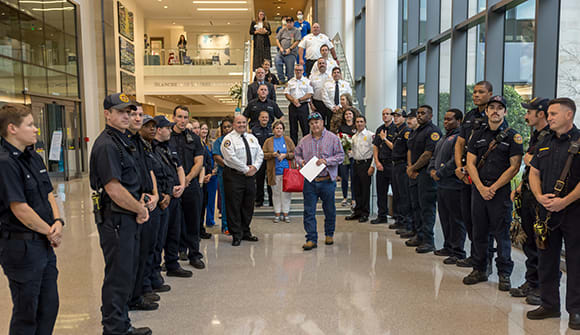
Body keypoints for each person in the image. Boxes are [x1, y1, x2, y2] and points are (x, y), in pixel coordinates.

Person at [89, 93, 152, 335]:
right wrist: (139, 209)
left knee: (126, 273)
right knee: (117, 275)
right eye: (121, 112)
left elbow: (133, 180)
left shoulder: (122, 141)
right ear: (107, 114)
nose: (126, 116)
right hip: (116, 218)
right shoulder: (107, 145)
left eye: (129, 111)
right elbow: (114, 189)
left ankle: (121, 322)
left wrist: (140, 203)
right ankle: (114, 328)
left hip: (128, 216)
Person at [0, 104, 63, 335]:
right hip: (21, 248)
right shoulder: (5, 162)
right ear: (12, 129)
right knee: (27, 313)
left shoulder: (33, 157)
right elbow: (20, 209)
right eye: (30, 124)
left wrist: (58, 221)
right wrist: (49, 230)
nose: (36, 129)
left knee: (49, 306)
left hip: (43, 243)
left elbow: (48, 193)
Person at [527, 98, 580, 330]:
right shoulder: (545, 141)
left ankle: (576, 310)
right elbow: (534, 172)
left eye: (554, 113)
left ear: (569, 115)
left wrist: (564, 201)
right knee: (546, 259)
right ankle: (549, 304)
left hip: (574, 211)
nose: (549, 117)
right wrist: (539, 197)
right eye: (548, 113)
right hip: (546, 211)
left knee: (576, 263)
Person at [462, 95, 523, 291]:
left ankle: (504, 274)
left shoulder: (513, 136)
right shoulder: (477, 134)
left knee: (502, 235)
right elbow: (470, 162)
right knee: (478, 232)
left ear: (505, 112)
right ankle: (479, 269)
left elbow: (514, 167)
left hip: (500, 192)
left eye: (499, 108)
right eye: (492, 108)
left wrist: (493, 188)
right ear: (486, 111)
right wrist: (480, 187)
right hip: (479, 190)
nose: (495, 111)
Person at [509, 97, 550, 305]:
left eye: (529, 112)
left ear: (540, 113)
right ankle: (532, 281)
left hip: (542, 199)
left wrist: (531, 161)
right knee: (530, 245)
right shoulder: (537, 135)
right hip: (527, 194)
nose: (525, 116)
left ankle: (543, 287)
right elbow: (531, 171)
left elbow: (547, 169)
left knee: (541, 244)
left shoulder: (551, 137)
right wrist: (519, 187)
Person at [454, 80, 493, 268]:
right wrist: (458, 166)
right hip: (465, 174)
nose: (476, 95)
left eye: (481, 92)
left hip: (482, 176)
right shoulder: (470, 115)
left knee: (483, 223)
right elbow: (460, 143)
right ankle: (475, 255)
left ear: (490, 94)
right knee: (468, 217)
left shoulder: (493, 116)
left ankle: (486, 260)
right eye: (475, 92)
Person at [295, 112, 345, 250]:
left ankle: (329, 234)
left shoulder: (333, 138)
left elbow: (341, 156)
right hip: (310, 181)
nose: (314, 125)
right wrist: (301, 162)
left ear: (322, 123)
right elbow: (297, 154)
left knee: (329, 209)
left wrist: (327, 161)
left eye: (317, 122)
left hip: (327, 180)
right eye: (311, 123)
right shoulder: (304, 140)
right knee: (308, 211)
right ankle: (311, 238)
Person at [127, 107, 160, 312]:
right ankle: (131, 298)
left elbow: (149, 171)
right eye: (133, 115)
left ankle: (139, 293)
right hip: (130, 209)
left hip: (148, 203)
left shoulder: (140, 144)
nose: (137, 118)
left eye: (140, 115)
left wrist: (155, 194)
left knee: (147, 249)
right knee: (131, 259)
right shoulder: (113, 144)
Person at [138, 114, 173, 305]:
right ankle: (145, 285)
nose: (152, 129)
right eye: (148, 126)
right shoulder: (139, 149)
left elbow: (164, 173)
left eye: (154, 126)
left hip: (161, 200)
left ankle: (154, 277)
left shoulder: (154, 149)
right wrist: (157, 196)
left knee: (158, 243)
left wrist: (165, 194)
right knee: (148, 246)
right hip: (150, 203)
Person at [428, 109, 466, 264]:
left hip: (453, 184)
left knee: (456, 220)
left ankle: (458, 251)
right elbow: (434, 156)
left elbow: (454, 160)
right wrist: (431, 169)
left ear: (459, 121)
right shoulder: (444, 137)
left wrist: (440, 172)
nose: (446, 122)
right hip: (441, 185)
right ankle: (448, 246)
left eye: (449, 119)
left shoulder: (459, 138)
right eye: (444, 119)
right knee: (444, 217)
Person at [170, 106, 206, 269]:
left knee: (193, 221)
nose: (182, 120)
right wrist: (179, 183)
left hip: (190, 186)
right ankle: (173, 256)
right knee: (172, 224)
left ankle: (194, 254)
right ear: (173, 117)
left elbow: (199, 161)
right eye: (179, 117)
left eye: (185, 117)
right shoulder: (165, 136)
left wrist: (187, 179)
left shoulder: (194, 138)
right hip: (172, 187)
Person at [221, 115, 263, 246]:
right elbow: (230, 158)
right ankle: (236, 234)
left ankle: (246, 231)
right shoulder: (228, 140)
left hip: (250, 177)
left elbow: (260, 153)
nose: (242, 125)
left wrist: (255, 167)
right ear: (234, 124)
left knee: (248, 205)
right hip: (234, 176)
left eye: (244, 122)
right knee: (234, 206)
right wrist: (246, 169)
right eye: (239, 123)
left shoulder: (252, 138)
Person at [405, 105, 442, 254]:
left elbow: (427, 154)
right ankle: (418, 235)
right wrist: (410, 167)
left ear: (431, 116)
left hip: (426, 175)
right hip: (414, 174)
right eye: (418, 113)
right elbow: (410, 150)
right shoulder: (416, 131)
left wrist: (413, 168)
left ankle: (428, 240)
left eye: (423, 113)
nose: (420, 116)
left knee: (427, 208)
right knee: (416, 206)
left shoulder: (433, 131)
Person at [263, 120, 295, 222]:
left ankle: (286, 213)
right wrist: (272, 154)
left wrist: (285, 155)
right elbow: (263, 154)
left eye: (281, 128)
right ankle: (277, 213)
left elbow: (294, 153)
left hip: (287, 171)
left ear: (283, 130)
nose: (279, 130)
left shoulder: (288, 140)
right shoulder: (268, 141)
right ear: (273, 130)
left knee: (286, 193)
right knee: (276, 193)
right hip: (274, 171)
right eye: (277, 128)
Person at [346, 115, 375, 222]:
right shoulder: (354, 137)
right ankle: (357, 211)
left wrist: (372, 166)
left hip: (366, 164)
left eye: (361, 121)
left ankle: (365, 213)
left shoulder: (370, 135)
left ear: (365, 122)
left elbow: (374, 152)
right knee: (356, 188)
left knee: (365, 190)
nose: (359, 124)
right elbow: (353, 152)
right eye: (357, 122)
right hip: (356, 164)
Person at [370, 108, 397, 225]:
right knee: (381, 191)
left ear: (392, 116)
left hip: (393, 164)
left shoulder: (396, 129)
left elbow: (395, 147)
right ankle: (382, 215)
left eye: (387, 114)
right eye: (383, 114)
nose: (385, 116)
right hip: (381, 164)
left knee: (396, 191)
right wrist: (376, 162)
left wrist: (384, 139)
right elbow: (375, 146)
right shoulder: (379, 129)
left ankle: (397, 216)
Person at [390, 109, 414, 235]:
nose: (395, 118)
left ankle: (407, 223)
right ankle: (399, 219)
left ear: (404, 118)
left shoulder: (406, 132)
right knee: (397, 194)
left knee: (405, 195)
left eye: (398, 116)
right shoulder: (397, 130)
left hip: (403, 164)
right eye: (394, 116)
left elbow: (409, 150)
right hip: (395, 165)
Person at [213, 118, 233, 234]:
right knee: (225, 200)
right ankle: (226, 226)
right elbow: (217, 157)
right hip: (224, 173)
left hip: (237, 174)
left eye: (229, 126)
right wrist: (229, 165)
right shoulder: (219, 142)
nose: (227, 129)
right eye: (224, 127)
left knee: (235, 201)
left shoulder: (238, 140)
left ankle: (236, 224)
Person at [285, 64, 314, 144]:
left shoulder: (307, 81)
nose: (298, 72)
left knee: (305, 128)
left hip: (303, 106)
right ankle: (293, 148)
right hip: (293, 107)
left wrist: (299, 100)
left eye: (300, 70)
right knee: (293, 129)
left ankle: (306, 147)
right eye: (297, 70)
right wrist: (293, 100)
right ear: (294, 71)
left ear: (303, 71)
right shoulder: (290, 82)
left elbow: (309, 94)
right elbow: (287, 94)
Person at [251, 111, 274, 207]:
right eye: (262, 117)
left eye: (266, 117)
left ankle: (271, 201)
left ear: (268, 119)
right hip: (258, 158)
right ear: (259, 118)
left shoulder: (272, 129)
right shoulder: (254, 130)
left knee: (270, 180)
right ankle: (259, 200)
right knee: (259, 180)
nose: (264, 119)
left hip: (269, 158)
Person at [337, 107, 357, 207]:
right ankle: (345, 197)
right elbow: (338, 140)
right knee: (344, 177)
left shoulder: (356, 126)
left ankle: (353, 198)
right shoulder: (341, 127)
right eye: (346, 114)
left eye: (350, 114)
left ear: (353, 115)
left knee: (353, 177)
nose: (348, 116)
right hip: (344, 156)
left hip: (354, 156)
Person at [200, 123, 218, 229]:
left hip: (213, 175)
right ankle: (200, 222)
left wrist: (214, 171)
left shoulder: (211, 143)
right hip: (203, 175)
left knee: (211, 199)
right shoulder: (197, 143)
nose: (204, 131)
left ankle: (210, 220)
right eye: (202, 129)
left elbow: (215, 158)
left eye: (206, 129)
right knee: (202, 200)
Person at [275, 16, 301, 84]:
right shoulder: (282, 30)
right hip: (281, 51)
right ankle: (281, 79)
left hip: (291, 52)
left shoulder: (296, 30)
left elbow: (297, 41)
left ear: (293, 23)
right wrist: (280, 47)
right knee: (277, 61)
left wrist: (290, 49)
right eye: (287, 22)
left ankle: (290, 82)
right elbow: (277, 39)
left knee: (290, 70)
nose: (289, 24)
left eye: (290, 22)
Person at [308, 57, 332, 126]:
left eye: (323, 63)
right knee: (319, 124)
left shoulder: (331, 76)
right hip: (317, 103)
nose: (322, 65)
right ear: (317, 65)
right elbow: (309, 92)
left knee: (330, 123)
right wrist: (311, 104)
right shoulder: (312, 77)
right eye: (320, 63)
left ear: (326, 64)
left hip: (329, 103)